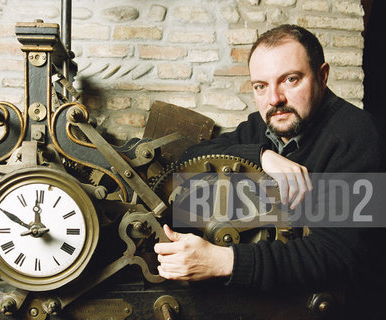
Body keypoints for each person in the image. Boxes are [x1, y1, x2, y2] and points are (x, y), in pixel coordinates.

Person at [154, 24, 382, 294]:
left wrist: (223, 261)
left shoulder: (359, 135)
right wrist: (262, 156)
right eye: (261, 86)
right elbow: (188, 160)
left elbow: (338, 256)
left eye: (291, 79)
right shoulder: (262, 127)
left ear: (322, 76)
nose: (275, 98)